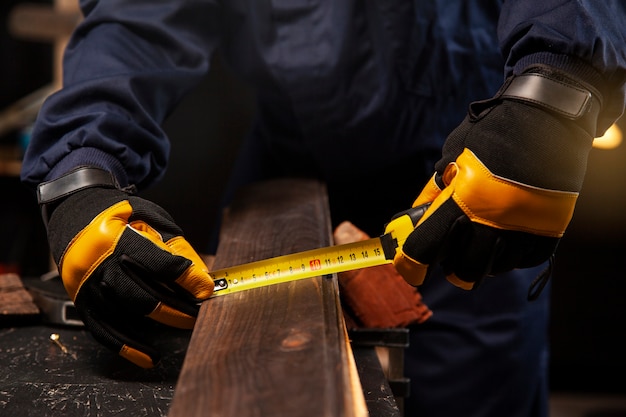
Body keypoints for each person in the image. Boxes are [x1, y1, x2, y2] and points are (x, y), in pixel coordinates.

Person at [20, 1, 626, 416]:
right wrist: (81, 169)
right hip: (285, 172)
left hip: (469, 179)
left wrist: (553, 95)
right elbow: (136, 18)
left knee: (470, 393)